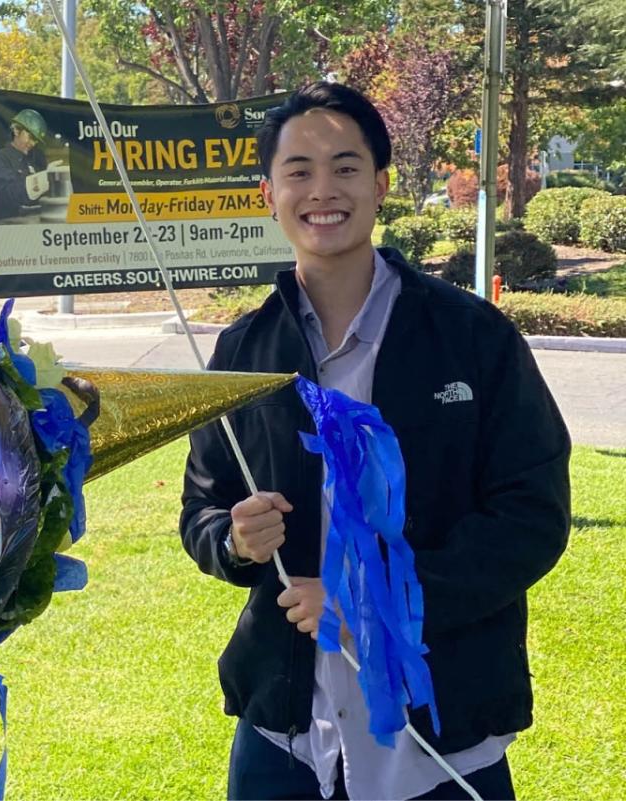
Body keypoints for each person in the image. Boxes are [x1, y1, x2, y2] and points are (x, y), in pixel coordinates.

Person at [180, 82, 570, 800]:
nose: (322, 189)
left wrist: (372, 604)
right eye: (298, 170)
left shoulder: (473, 339)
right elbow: (203, 509)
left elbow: (530, 517)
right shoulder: (244, 349)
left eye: (346, 166)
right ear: (269, 192)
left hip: (443, 734)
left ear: (382, 184)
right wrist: (234, 539)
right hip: (287, 741)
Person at [0, 109, 51, 221]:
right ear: (16, 130)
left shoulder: (34, 161)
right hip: (7, 227)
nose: (33, 144)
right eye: (31, 137)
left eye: (36, 141)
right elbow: (7, 194)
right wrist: (42, 179)